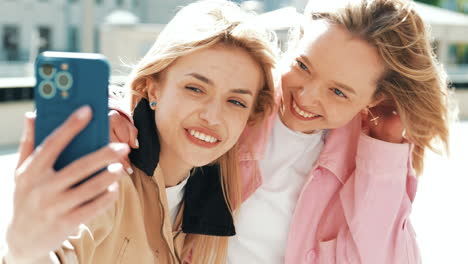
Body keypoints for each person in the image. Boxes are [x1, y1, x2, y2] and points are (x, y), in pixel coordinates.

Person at [110, 0, 453, 263]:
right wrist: (118, 112)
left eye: (338, 92)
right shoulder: (242, 102)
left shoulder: (369, 159)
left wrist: (386, 149)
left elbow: (387, 255)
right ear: (296, 42)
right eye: (303, 66)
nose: (305, 96)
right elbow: (169, 87)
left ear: (374, 98)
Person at [1, 1, 277, 263]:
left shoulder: (217, 201)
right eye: (195, 88)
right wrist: (25, 252)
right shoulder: (110, 176)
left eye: (236, 102)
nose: (213, 117)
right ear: (153, 88)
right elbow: (58, 251)